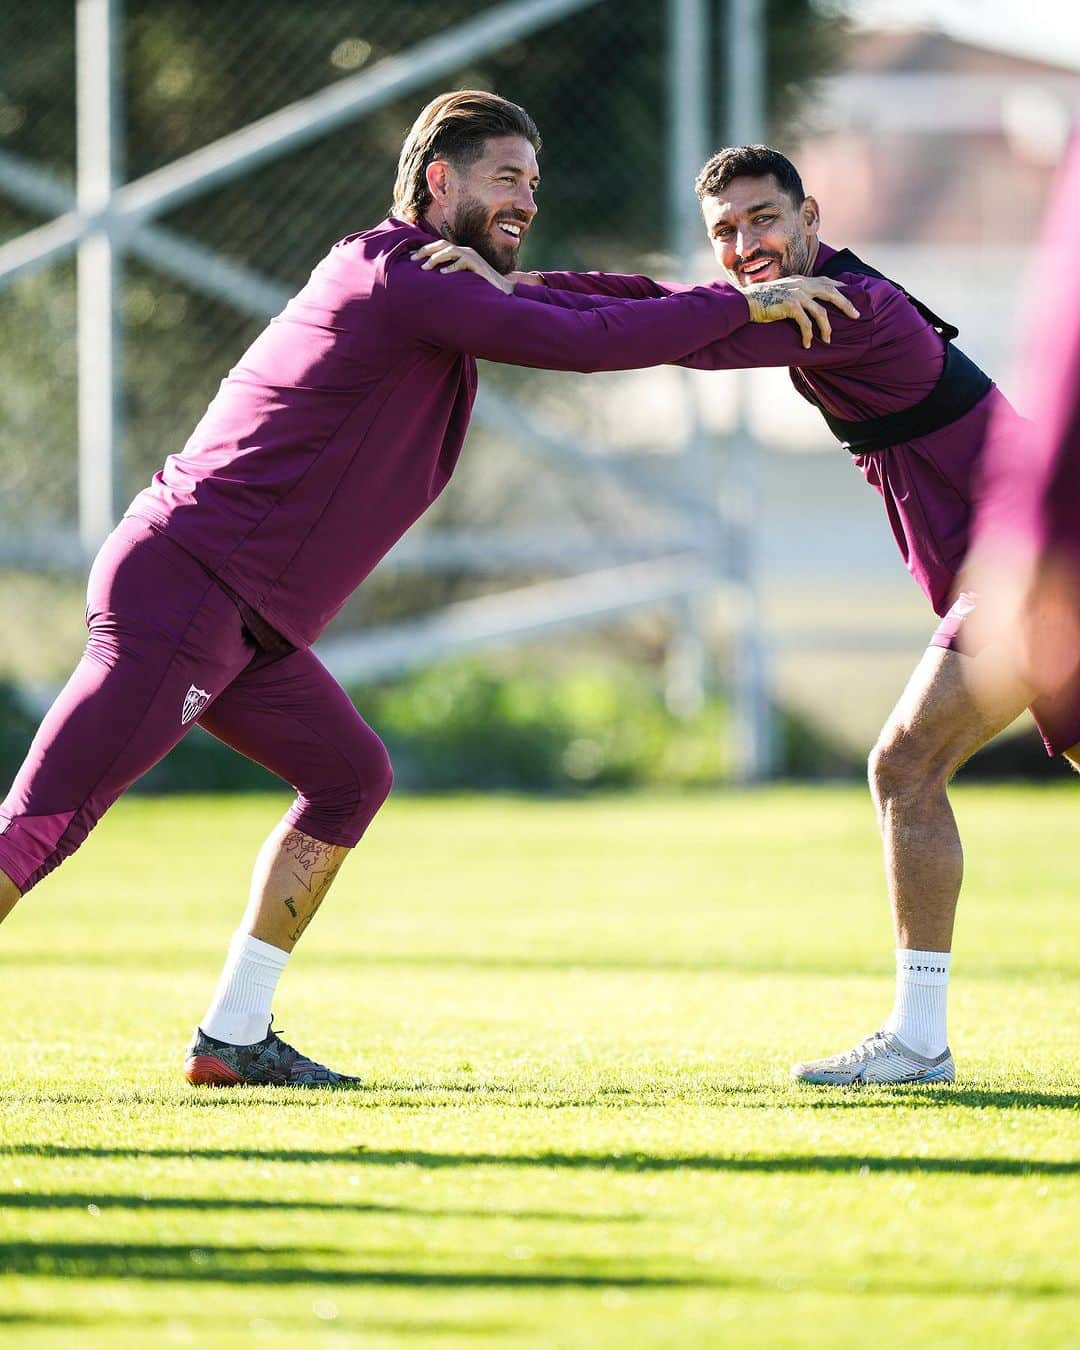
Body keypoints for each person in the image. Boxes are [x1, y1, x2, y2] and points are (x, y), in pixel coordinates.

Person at [0, 99, 854, 1088]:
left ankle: (232, 1035)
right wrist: (739, 306)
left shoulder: (439, 279)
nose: (526, 199)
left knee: (350, 776)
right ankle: (229, 1035)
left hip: (244, 618)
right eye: (505, 178)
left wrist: (727, 300)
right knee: (42, 823)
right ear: (437, 180)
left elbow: (573, 304)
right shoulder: (400, 276)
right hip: (191, 587)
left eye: (533, 183)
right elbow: (574, 341)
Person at [419, 142, 1042, 1086]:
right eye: (726, 232)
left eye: (764, 220)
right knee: (920, 769)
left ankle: (919, 1043)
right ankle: (920, 1042)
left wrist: (503, 298)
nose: (747, 246)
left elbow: (674, 332)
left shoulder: (838, 307)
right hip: (1022, 560)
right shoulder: (796, 296)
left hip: (1039, 560)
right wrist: (522, 281)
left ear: (811, 220)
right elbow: (662, 300)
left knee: (904, 766)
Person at [964, 136, 1080, 709]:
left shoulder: (858, 299)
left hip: (990, 535)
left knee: (903, 760)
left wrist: (1033, 532)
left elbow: (1066, 344)